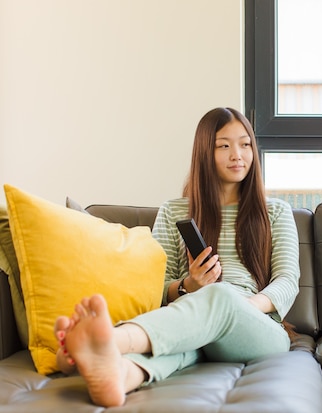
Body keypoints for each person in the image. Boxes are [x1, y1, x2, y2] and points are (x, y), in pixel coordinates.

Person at [53, 107, 300, 407]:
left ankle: (110, 341)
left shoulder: (275, 211)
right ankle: (120, 374)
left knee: (218, 297)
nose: (238, 154)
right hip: (196, 318)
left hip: (259, 327)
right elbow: (154, 287)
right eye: (224, 145)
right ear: (204, 153)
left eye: (245, 144)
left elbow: (287, 281)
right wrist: (189, 286)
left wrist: (239, 306)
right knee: (184, 339)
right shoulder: (173, 211)